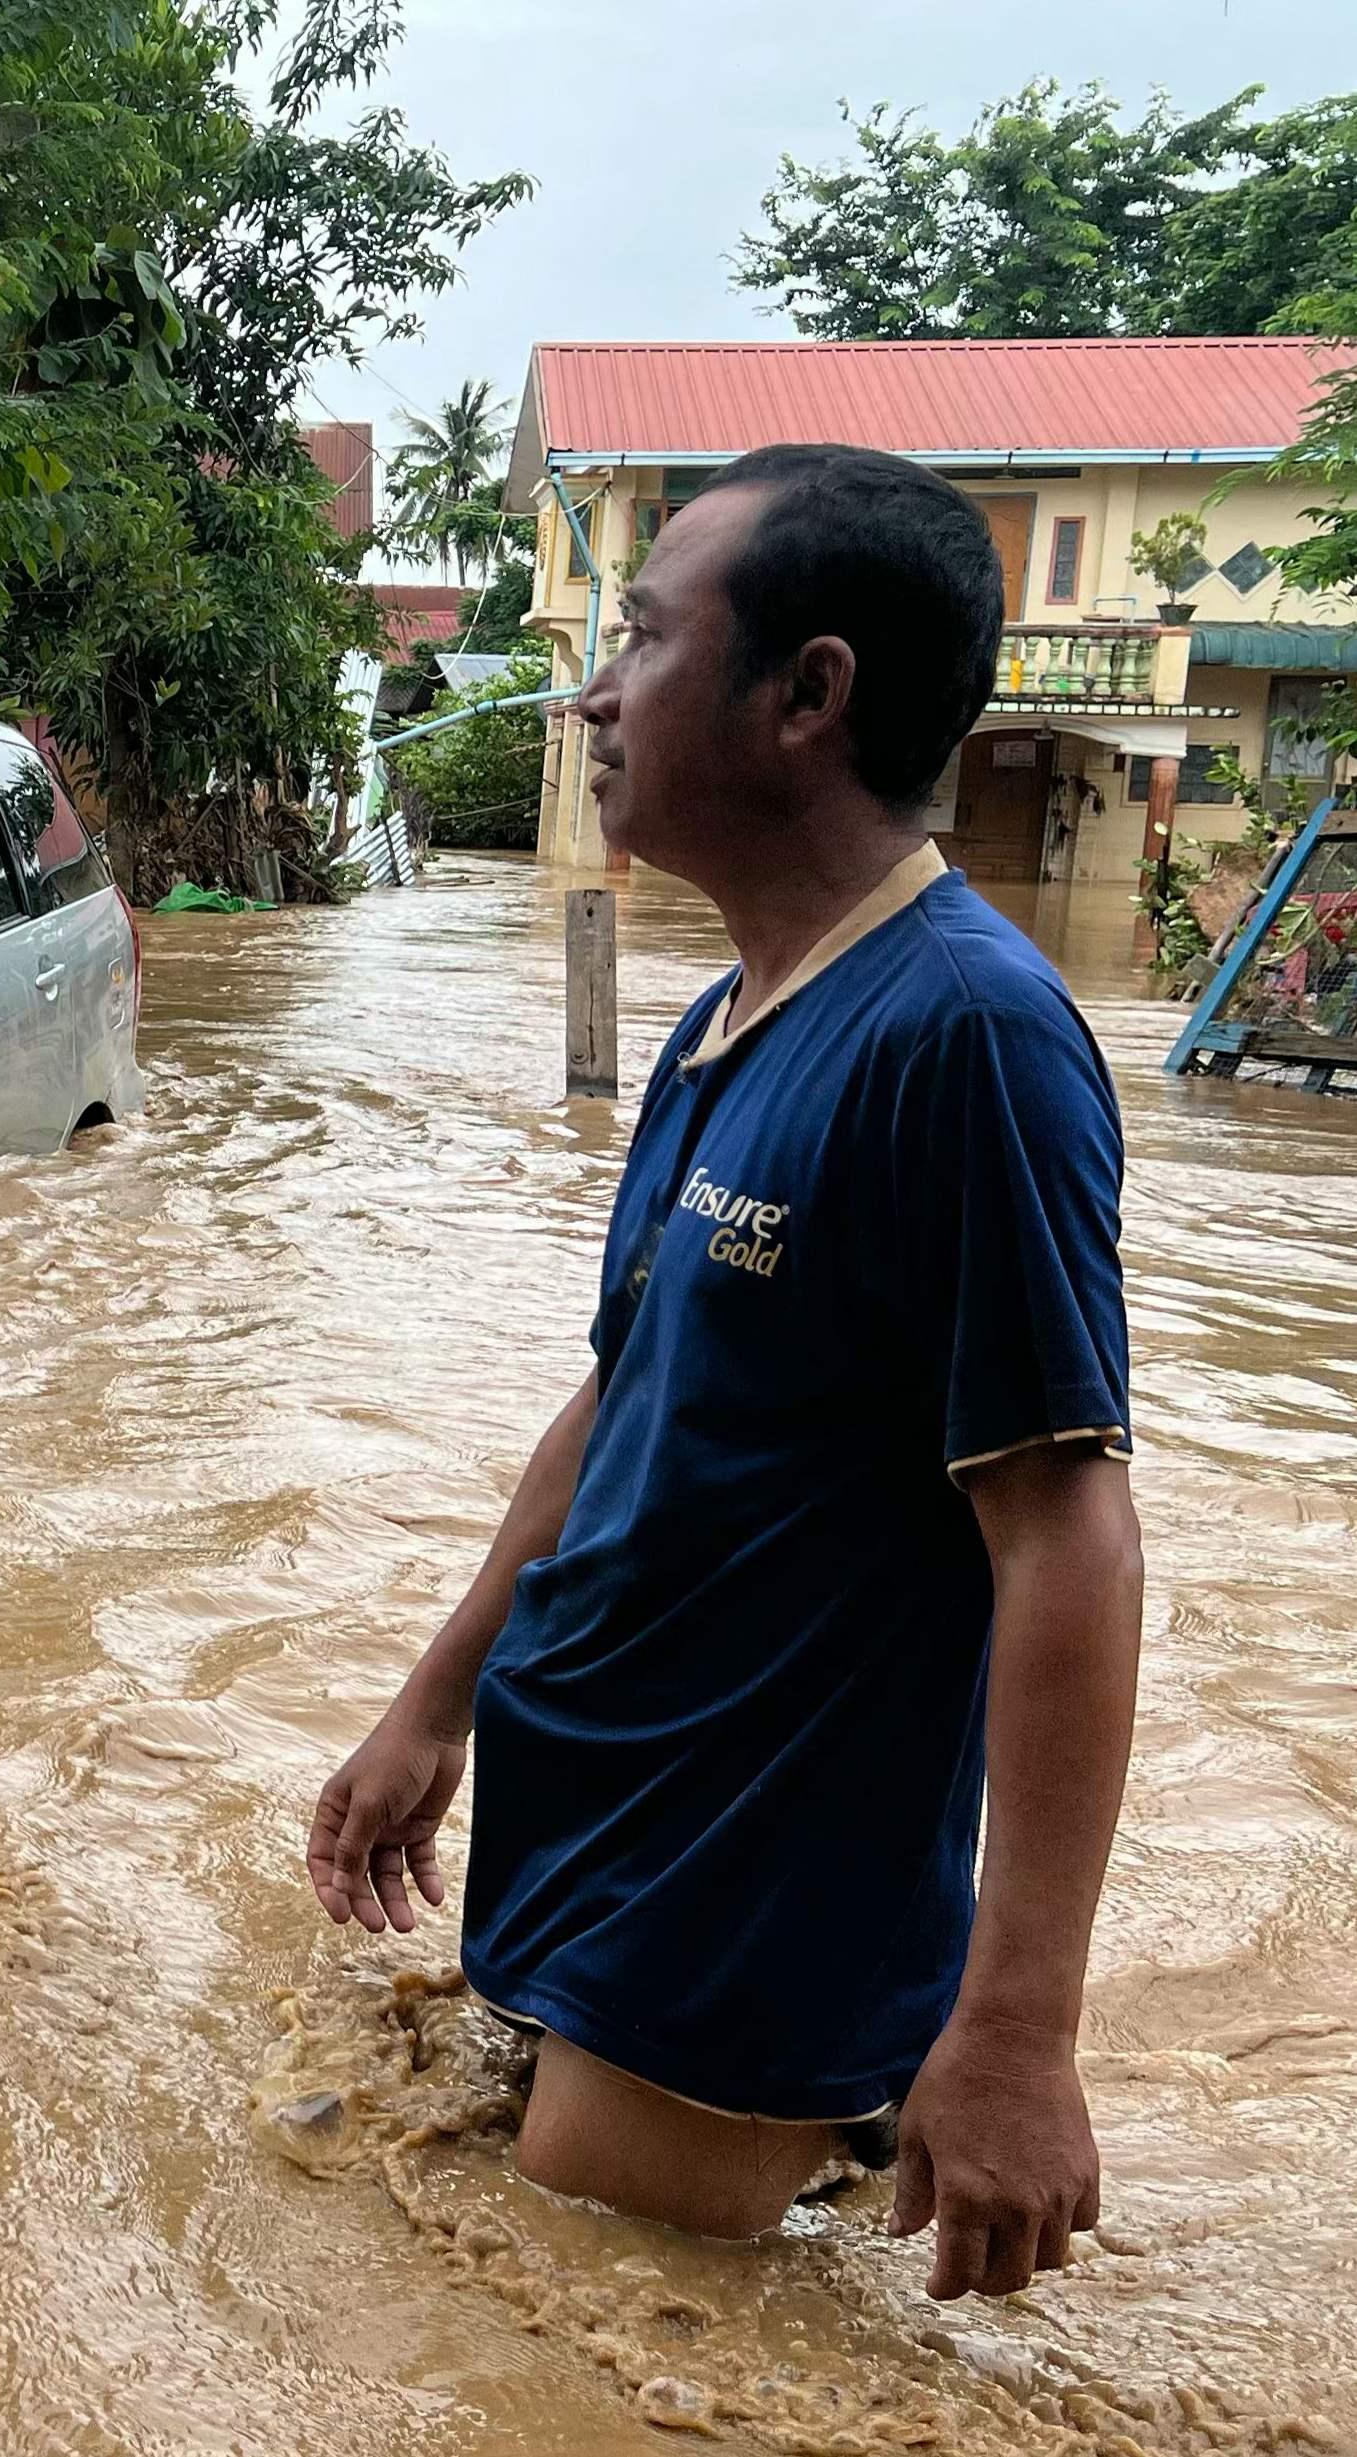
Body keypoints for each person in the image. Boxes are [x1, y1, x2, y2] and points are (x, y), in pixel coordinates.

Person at [305, 444, 1145, 2302]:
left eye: (647, 637)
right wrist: (435, 1699)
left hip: (750, 1886)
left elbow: (1065, 1529)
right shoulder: (726, 1010)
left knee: (575, 2343)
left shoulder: (967, 1038)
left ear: (806, 694)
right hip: (604, 1805)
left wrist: (1017, 2030)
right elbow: (625, 1392)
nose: (592, 690)